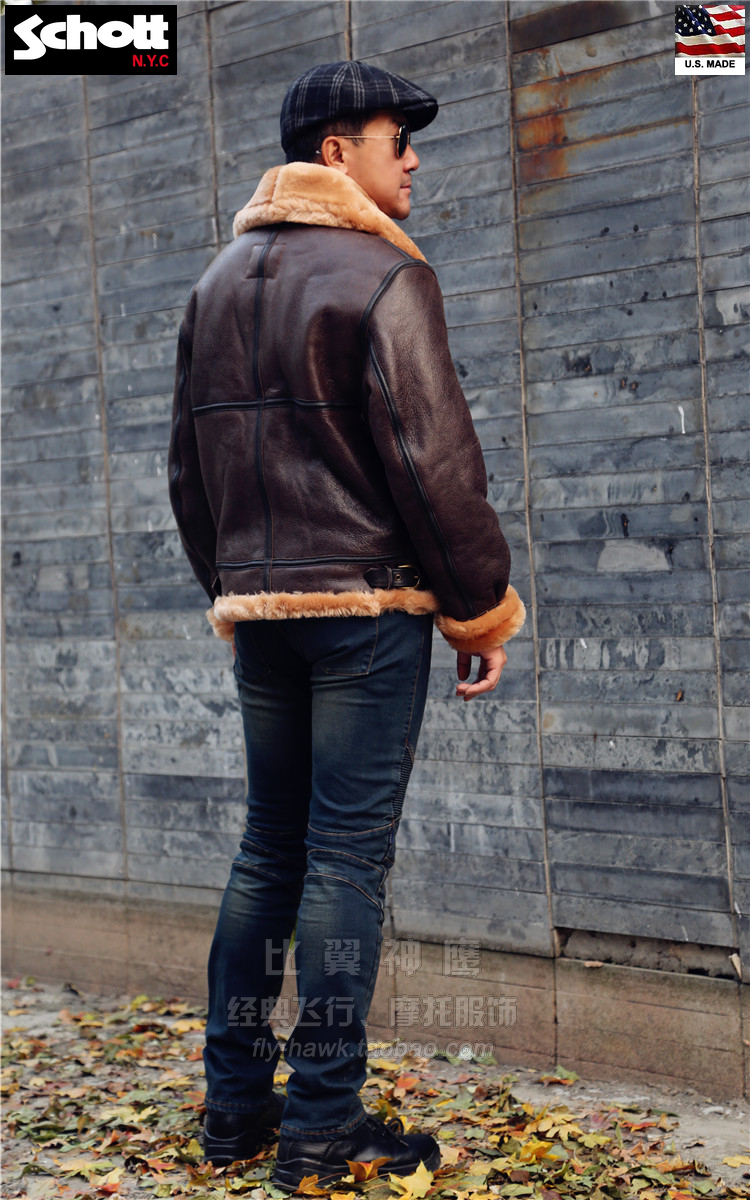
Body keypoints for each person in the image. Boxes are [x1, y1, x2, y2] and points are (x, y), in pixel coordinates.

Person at [168, 59, 525, 1191]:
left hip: (263, 611)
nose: (412, 159)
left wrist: (235, 589)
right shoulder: (383, 273)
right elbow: (435, 465)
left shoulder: (215, 284)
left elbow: (188, 472)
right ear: (336, 151)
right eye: (393, 139)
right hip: (367, 609)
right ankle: (323, 1122)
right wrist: (478, 609)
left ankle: (236, 1108)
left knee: (266, 851)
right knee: (343, 864)